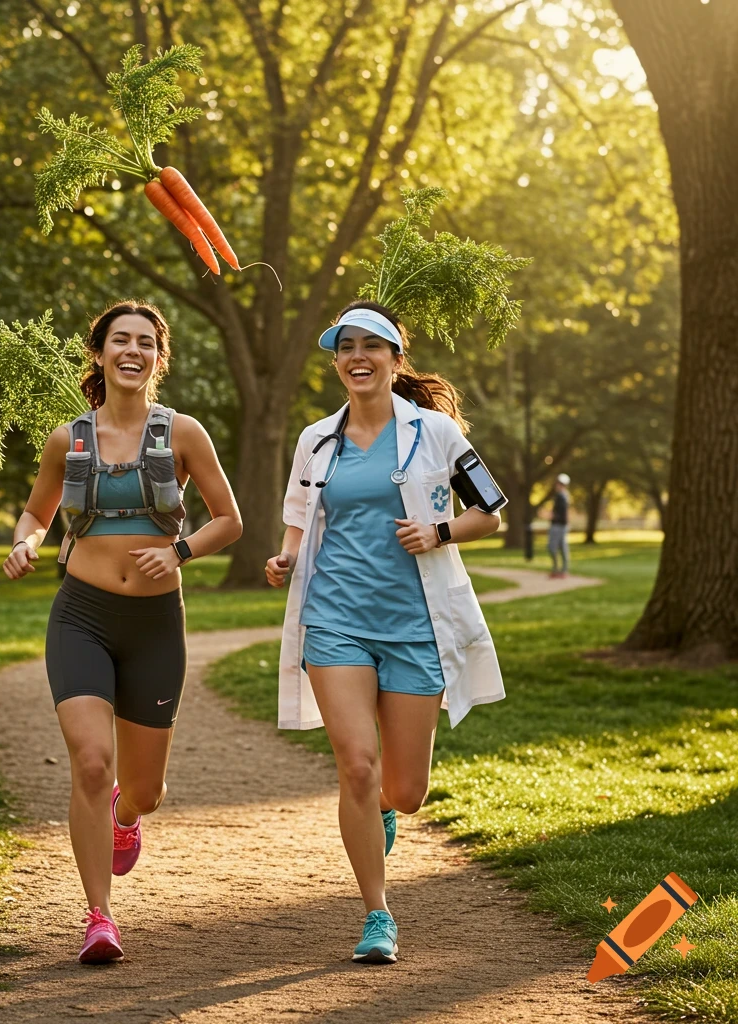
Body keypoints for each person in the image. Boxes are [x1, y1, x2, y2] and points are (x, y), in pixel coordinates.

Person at [266, 301, 506, 964]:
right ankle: (378, 913)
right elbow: (298, 512)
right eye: (346, 347)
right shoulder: (316, 438)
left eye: (372, 346)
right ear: (338, 362)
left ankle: (387, 811)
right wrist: (286, 555)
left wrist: (440, 531)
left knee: (403, 788)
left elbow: (493, 511)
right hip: (335, 619)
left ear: (396, 360)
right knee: (356, 765)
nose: (357, 357)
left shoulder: (436, 434)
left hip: (414, 626)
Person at [3, 300, 242, 965]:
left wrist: (180, 552)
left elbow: (230, 520)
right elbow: (35, 512)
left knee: (145, 790)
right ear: (100, 354)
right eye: (119, 341)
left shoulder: (185, 433)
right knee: (89, 760)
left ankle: (125, 816)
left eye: (145, 342)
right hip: (81, 613)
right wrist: (25, 543)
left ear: (159, 358)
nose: (131, 351)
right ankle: (98, 916)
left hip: (155, 624)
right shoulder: (67, 439)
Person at [548, 472, 571, 578]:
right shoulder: (561, 496)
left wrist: (552, 516)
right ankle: (559, 570)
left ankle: (560, 570)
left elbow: (563, 515)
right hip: (559, 525)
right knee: (560, 548)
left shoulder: (563, 497)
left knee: (555, 547)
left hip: (559, 526)